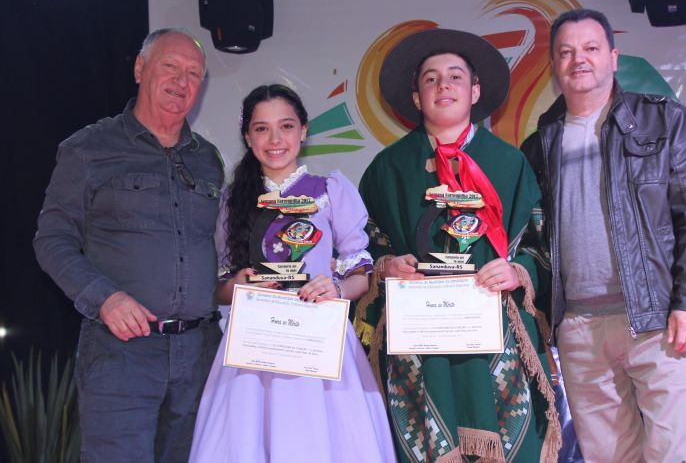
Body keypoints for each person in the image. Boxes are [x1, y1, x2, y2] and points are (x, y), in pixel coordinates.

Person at [520, 8, 686, 462]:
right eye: (566, 52)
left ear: (613, 57)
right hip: (579, 332)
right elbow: (532, 243)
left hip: (658, 322)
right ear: (554, 66)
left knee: (683, 453)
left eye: (591, 48)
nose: (579, 59)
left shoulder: (664, 120)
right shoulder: (537, 147)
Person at [357, 29, 561, 462]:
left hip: (497, 336)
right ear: (417, 97)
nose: (443, 86)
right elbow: (362, 248)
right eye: (430, 79)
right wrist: (386, 265)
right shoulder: (386, 169)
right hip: (417, 340)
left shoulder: (510, 163)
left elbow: (543, 245)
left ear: (475, 91)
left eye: (455, 77)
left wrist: (517, 271)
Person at [33, 28, 224, 462]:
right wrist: (105, 298)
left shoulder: (208, 160)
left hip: (199, 354)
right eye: (170, 67)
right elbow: (52, 239)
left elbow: (220, 247)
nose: (181, 82)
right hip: (121, 355)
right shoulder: (89, 149)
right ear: (140, 69)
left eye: (193, 74)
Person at [188, 84, 396, 462]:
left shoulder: (330, 191)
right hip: (253, 349)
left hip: (320, 342)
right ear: (247, 137)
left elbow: (360, 273)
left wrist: (335, 289)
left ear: (303, 130)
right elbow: (218, 287)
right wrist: (238, 285)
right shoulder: (232, 200)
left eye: (285, 126)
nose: (275, 139)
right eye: (262, 128)